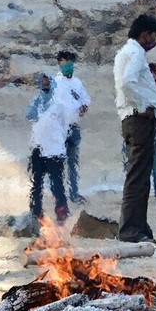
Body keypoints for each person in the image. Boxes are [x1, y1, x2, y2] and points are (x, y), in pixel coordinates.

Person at [114, 14, 156, 243]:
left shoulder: (129, 52)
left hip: (136, 119)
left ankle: (140, 227)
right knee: (137, 177)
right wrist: (143, 106)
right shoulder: (135, 53)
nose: (155, 41)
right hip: (139, 120)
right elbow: (127, 82)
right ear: (145, 34)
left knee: (142, 176)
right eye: (154, 36)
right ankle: (130, 230)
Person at [26, 73, 73, 223]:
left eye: (47, 84)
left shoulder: (59, 104)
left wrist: (56, 138)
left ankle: (61, 212)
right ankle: (36, 212)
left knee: (56, 182)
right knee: (37, 183)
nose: (45, 86)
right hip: (38, 148)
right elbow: (30, 117)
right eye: (43, 84)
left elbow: (66, 125)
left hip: (54, 150)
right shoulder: (36, 102)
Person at [121, 62, 156, 204]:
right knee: (152, 161)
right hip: (143, 128)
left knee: (134, 162)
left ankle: (136, 194)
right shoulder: (150, 90)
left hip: (138, 128)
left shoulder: (140, 89)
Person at [52, 50, 90, 204]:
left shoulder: (77, 82)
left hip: (74, 127)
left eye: (70, 62)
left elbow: (85, 99)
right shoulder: (55, 83)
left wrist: (84, 106)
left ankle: (74, 193)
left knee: (73, 162)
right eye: (64, 61)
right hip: (60, 128)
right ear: (59, 63)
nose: (67, 65)